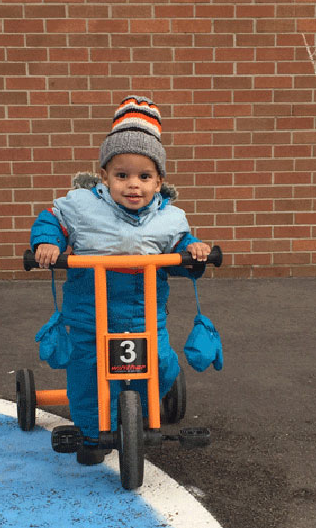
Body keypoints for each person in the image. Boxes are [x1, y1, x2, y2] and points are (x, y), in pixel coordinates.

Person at [30, 96, 211, 465]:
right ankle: (93, 434)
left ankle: (147, 414)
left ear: (159, 181)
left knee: (158, 363)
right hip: (90, 313)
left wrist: (194, 253)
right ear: (104, 177)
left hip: (144, 314)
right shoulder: (80, 206)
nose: (134, 185)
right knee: (88, 372)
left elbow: (179, 248)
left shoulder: (170, 218)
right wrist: (48, 242)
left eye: (145, 177)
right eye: (122, 175)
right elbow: (53, 219)